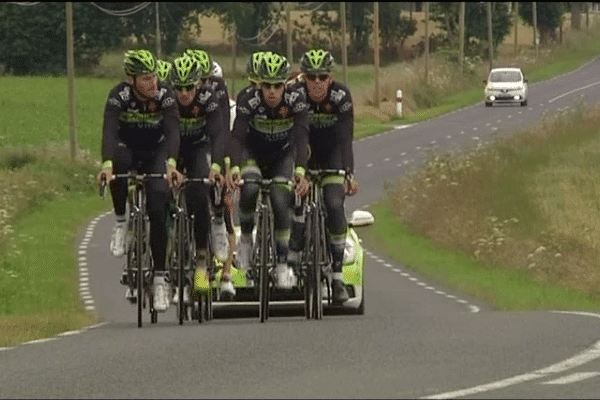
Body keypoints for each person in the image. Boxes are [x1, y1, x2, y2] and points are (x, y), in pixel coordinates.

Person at [96, 48, 183, 312]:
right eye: (145, 78)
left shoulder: (166, 95)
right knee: (118, 164)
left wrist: (171, 165)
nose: (152, 82)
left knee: (158, 208)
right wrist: (107, 165)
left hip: (155, 150)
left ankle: (159, 279)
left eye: (154, 76)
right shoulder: (118, 96)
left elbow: (173, 131)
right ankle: (121, 220)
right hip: (127, 148)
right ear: (131, 79)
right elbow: (109, 131)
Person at [227, 52, 310, 289]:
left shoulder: (296, 100)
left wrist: (301, 171)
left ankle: (282, 264)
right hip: (252, 153)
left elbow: (302, 136)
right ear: (259, 84)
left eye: (277, 85)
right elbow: (237, 135)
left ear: (285, 84)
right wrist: (234, 166)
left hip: (282, 155)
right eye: (266, 85)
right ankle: (245, 241)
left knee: (280, 198)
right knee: (250, 188)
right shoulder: (248, 99)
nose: (271, 91)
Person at [288, 48, 360, 304]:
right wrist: (299, 170)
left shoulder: (341, 96)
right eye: (311, 77)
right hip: (304, 152)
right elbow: (298, 134)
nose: (317, 83)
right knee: (294, 197)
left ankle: (338, 276)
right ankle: (294, 251)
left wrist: (349, 172)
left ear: (330, 78)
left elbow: (345, 137)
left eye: (322, 77)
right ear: (303, 78)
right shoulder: (295, 95)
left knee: (334, 204)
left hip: (332, 154)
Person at [168, 54, 233, 299]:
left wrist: (217, 165)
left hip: (199, 148)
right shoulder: (166, 100)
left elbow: (218, 134)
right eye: (178, 88)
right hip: (174, 149)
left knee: (198, 192)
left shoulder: (210, 97)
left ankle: (201, 261)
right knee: (160, 195)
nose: (183, 93)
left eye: (189, 87)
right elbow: (166, 133)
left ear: (199, 84)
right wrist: (170, 165)